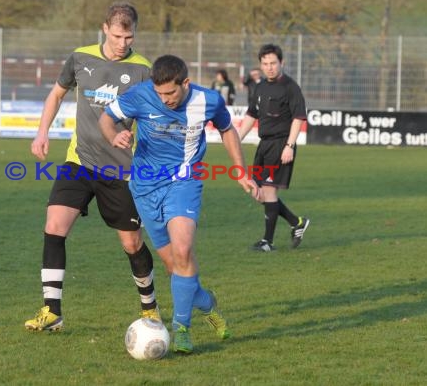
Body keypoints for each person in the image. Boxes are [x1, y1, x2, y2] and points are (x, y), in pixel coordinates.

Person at [99, 54, 261, 353]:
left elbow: (227, 129)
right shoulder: (140, 95)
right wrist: (114, 135)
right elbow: (106, 118)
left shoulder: (208, 100)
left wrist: (240, 171)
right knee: (176, 268)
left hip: (184, 183)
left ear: (185, 83)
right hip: (144, 188)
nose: (165, 100)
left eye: (171, 93)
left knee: (184, 251)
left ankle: (181, 329)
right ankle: (208, 304)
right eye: (160, 94)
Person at [24, 2, 165, 332]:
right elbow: (56, 95)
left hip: (121, 171)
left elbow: (155, 117)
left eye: (129, 37)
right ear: (105, 29)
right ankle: (52, 310)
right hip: (80, 161)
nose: (123, 43)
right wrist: (42, 132)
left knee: (131, 244)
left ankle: (150, 308)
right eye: (117, 35)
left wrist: (137, 139)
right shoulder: (80, 58)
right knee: (54, 226)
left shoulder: (144, 70)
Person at [239, 44, 310, 252]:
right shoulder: (260, 86)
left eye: (273, 63)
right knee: (258, 193)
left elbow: (298, 117)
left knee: (269, 192)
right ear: (261, 65)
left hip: (281, 145)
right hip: (264, 145)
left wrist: (290, 145)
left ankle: (267, 242)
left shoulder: (290, 87)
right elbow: (251, 114)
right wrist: (237, 138)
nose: (269, 67)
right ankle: (297, 222)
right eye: (265, 64)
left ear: (282, 63)